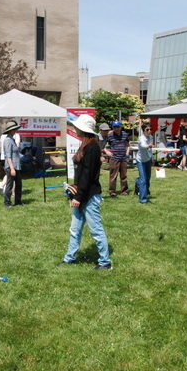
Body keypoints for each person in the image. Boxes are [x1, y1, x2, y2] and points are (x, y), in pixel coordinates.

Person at [60, 114, 112, 270]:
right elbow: (82, 174)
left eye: (76, 126)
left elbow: (87, 175)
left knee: (96, 230)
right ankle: (69, 258)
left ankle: (105, 262)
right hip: (81, 193)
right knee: (75, 230)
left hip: (89, 195)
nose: (74, 128)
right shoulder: (86, 144)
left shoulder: (92, 147)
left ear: (83, 129)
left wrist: (78, 196)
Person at [104, 120, 130, 196]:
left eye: (118, 127)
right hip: (114, 158)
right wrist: (107, 151)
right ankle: (112, 191)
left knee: (124, 176)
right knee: (113, 175)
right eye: (114, 127)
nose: (116, 128)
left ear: (120, 127)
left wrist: (127, 152)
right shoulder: (110, 135)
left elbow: (128, 144)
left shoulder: (125, 134)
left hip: (123, 158)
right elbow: (104, 146)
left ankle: (124, 191)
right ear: (112, 127)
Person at [3, 120, 23, 208]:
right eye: (14, 129)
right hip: (11, 166)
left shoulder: (12, 139)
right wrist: (12, 168)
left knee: (19, 184)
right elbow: (8, 156)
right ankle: (7, 203)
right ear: (10, 130)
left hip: (16, 166)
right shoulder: (8, 140)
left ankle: (18, 201)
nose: (16, 131)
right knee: (9, 185)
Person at [135, 124, 154, 204]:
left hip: (148, 159)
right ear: (143, 131)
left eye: (150, 129)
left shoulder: (151, 137)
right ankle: (143, 199)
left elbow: (150, 150)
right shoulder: (141, 138)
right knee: (143, 180)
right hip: (140, 161)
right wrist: (148, 145)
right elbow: (143, 145)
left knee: (147, 178)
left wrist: (152, 158)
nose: (149, 131)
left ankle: (137, 182)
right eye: (147, 129)